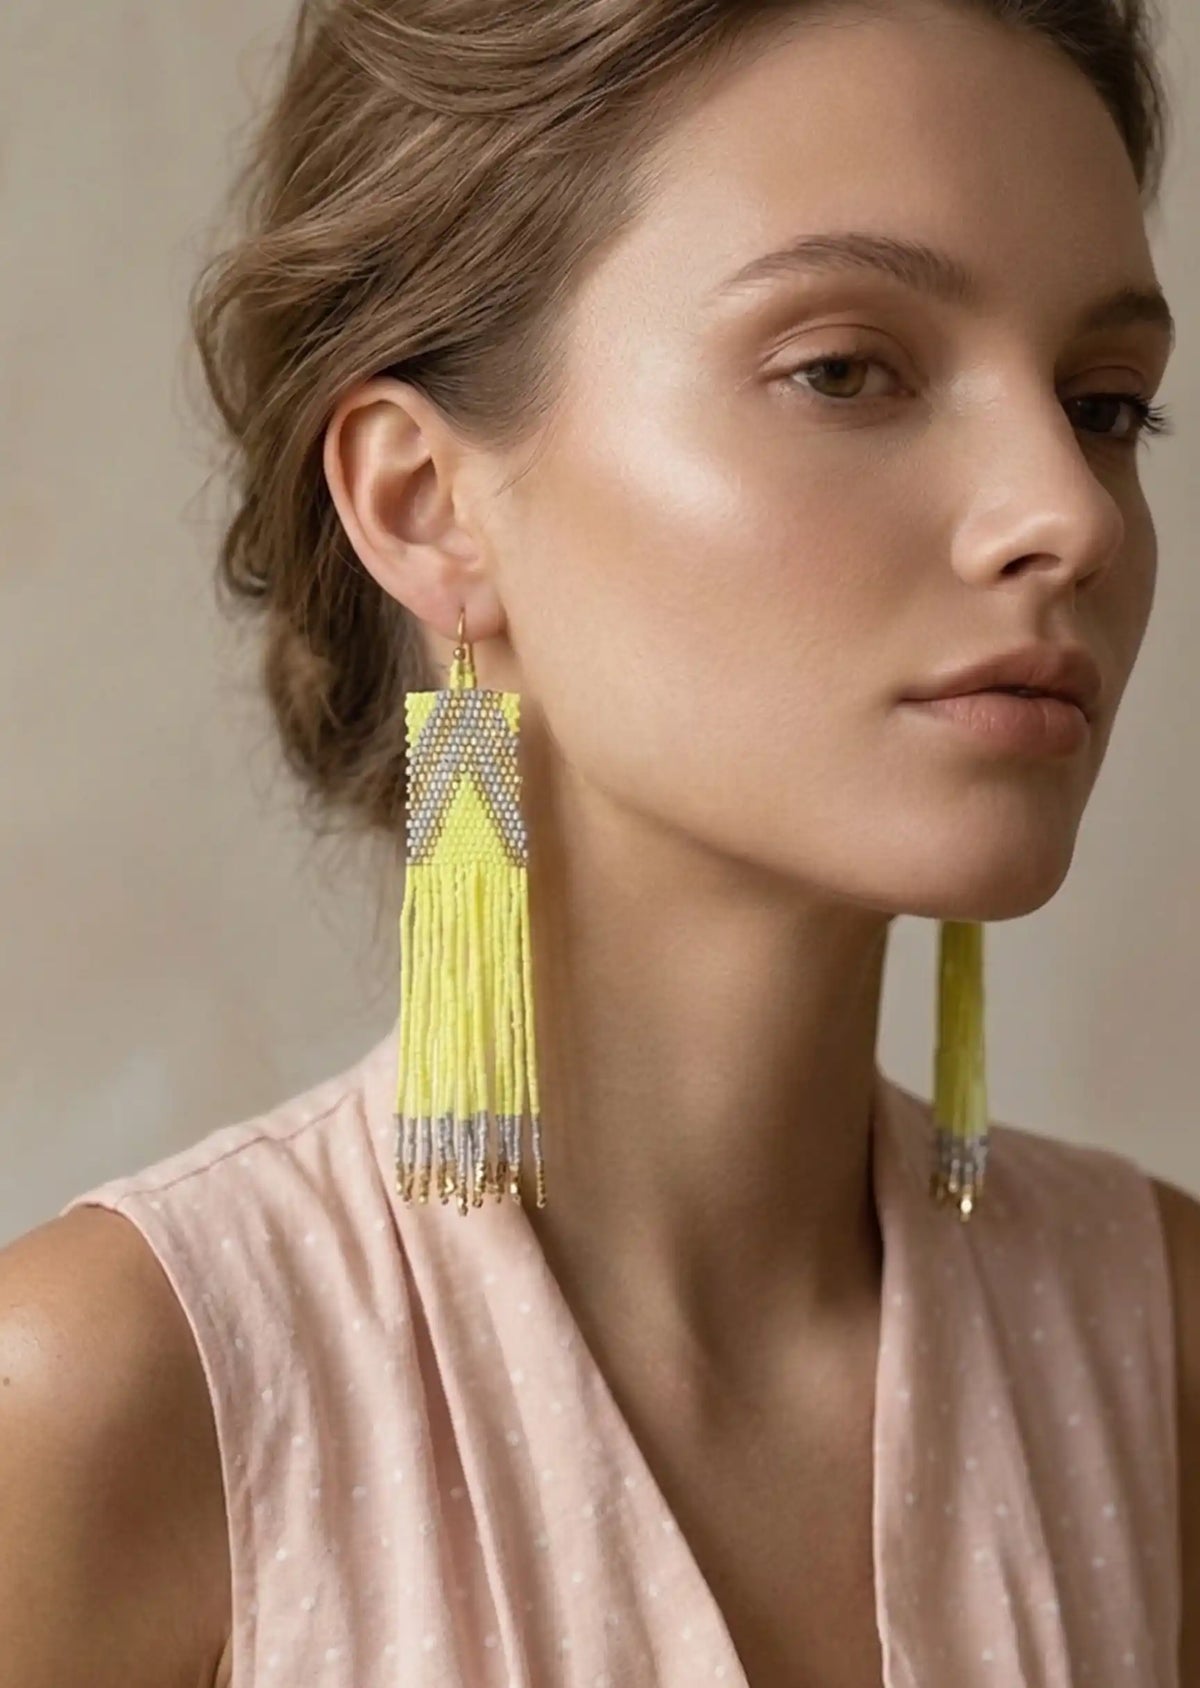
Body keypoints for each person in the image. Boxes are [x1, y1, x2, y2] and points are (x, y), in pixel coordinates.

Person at [2, 0, 1197, 1682]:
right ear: (425, 502)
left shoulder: (1163, 1356)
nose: (1066, 514)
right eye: (844, 369)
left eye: (1104, 402)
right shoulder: (106, 1412)